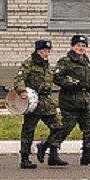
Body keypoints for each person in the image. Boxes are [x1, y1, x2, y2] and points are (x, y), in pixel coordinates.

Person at [14, 40, 68, 169]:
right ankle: (25, 158)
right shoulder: (29, 63)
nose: (47, 53)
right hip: (32, 102)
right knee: (28, 131)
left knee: (58, 127)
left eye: (48, 51)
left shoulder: (46, 64)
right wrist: (22, 91)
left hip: (45, 102)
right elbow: (19, 79)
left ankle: (46, 148)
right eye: (44, 50)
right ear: (38, 51)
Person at [54, 35, 90, 166]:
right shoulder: (65, 61)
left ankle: (86, 155)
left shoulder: (85, 62)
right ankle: (50, 149)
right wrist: (70, 84)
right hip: (70, 102)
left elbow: (87, 84)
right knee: (65, 128)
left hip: (84, 102)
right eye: (78, 45)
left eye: (83, 46)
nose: (81, 48)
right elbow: (57, 78)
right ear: (73, 46)